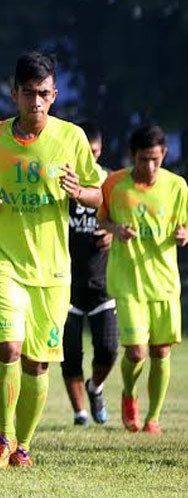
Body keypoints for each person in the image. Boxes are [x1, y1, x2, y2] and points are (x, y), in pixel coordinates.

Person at [0, 52, 105, 469]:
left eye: (43, 94)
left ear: (54, 95)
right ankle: (3, 435)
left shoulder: (72, 138)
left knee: (36, 360)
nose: (36, 102)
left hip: (51, 269)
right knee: (8, 348)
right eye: (27, 93)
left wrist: (78, 192)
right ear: (14, 94)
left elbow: (99, 195)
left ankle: (23, 446)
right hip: (2, 260)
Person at [99, 125, 187, 435]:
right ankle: (128, 393)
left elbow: (185, 226)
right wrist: (115, 229)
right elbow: (102, 218)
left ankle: (153, 418)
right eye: (143, 160)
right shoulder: (114, 184)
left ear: (164, 154)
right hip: (129, 281)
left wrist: (184, 234)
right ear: (131, 156)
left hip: (164, 281)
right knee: (136, 352)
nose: (149, 167)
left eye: (155, 159)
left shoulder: (178, 187)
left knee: (161, 351)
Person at [61, 121, 118, 426]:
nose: (90, 159)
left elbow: (124, 222)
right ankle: (80, 412)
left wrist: (110, 230)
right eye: (84, 152)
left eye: (94, 152)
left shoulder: (109, 184)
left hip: (102, 281)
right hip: (65, 281)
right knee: (70, 354)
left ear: (100, 150)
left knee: (108, 350)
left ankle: (95, 387)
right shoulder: (59, 181)